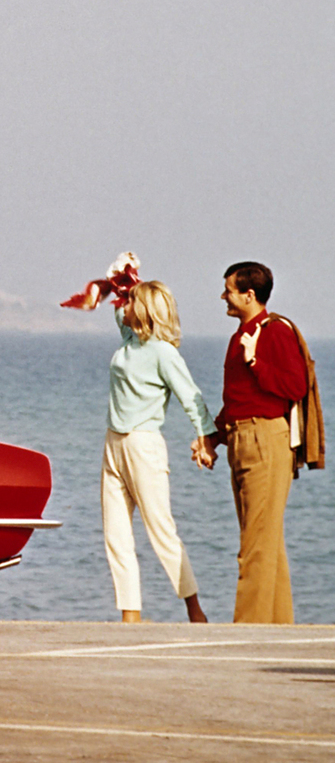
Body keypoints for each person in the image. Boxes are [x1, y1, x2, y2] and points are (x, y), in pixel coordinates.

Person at [195, 262, 307, 623]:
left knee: (255, 546)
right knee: (264, 541)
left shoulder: (275, 332)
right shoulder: (239, 336)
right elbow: (238, 399)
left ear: (249, 295)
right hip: (241, 438)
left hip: (265, 439)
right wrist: (213, 438)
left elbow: (295, 387)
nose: (223, 297)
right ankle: (278, 628)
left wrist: (255, 361)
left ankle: (246, 629)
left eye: (228, 291)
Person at [102, 281, 213, 623]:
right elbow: (118, 306)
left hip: (143, 444)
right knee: (116, 534)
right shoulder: (129, 340)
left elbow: (190, 396)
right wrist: (123, 276)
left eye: (131, 301)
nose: (124, 305)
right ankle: (130, 615)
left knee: (161, 530)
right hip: (113, 443)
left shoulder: (164, 353)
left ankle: (195, 611)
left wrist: (205, 438)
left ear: (145, 309)